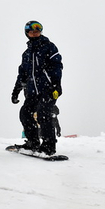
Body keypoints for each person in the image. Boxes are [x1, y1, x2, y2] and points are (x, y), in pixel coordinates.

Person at [11, 20, 63, 155]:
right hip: (33, 91)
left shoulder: (49, 47)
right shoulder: (26, 54)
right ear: (27, 33)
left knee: (43, 114)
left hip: (49, 89)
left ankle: (48, 146)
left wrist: (55, 84)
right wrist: (16, 91)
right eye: (32, 31)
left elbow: (57, 66)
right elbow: (22, 74)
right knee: (25, 113)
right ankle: (32, 142)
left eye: (37, 30)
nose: (35, 33)